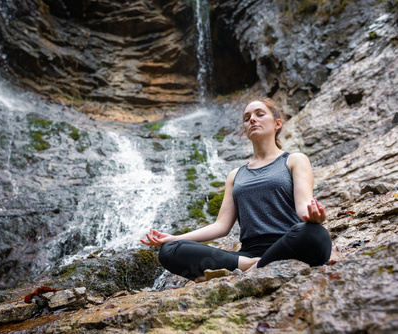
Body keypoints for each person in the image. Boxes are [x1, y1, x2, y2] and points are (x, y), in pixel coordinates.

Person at [140, 98, 332, 282]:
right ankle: (252, 266)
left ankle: (246, 270)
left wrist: (315, 217)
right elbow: (221, 226)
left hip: (290, 244)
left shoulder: (294, 160)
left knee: (315, 234)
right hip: (245, 256)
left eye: (260, 114)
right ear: (245, 129)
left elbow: (304, 206)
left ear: (277, 124)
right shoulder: (235, 175)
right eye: (247, 118)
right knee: (170, 250)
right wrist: (175, 238)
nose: (252, 120)